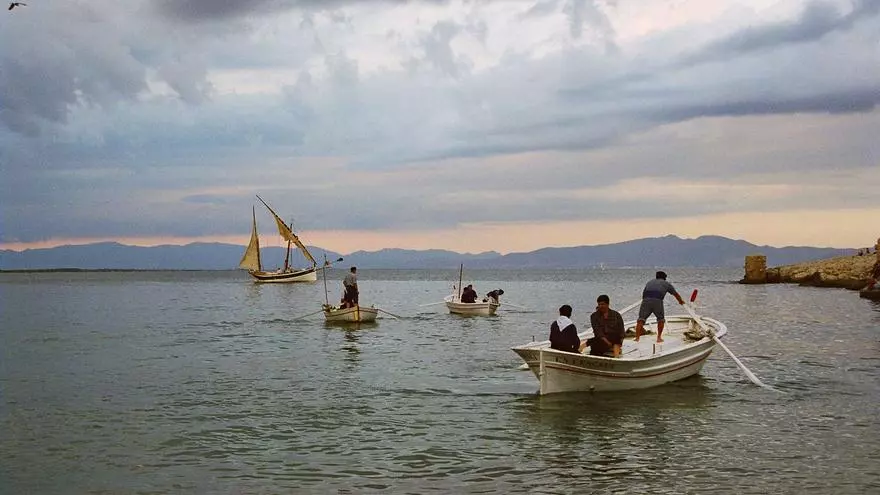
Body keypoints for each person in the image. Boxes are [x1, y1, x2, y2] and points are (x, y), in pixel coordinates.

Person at [634, 271, 685, 343]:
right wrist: (681, 301)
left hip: (645, 301)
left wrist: (647, 301)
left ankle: (637, 338)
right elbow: (675, 294)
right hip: (657, 301)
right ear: (664, 278)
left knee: (641, 320)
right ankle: (659, 338)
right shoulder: (666, 284)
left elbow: (644, 293)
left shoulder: (650, 282)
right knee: (660, 319)